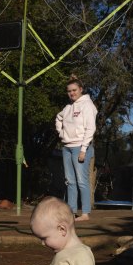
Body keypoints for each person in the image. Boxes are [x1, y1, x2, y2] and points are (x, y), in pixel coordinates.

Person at [55, 74, 98, 222]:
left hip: (80, 147)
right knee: (70, 181)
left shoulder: (87, 105)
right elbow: (58, 117)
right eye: (69, 91)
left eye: (74, 90)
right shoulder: (67, 107)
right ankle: (71, 212)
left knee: (82, 180)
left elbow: (90, 128)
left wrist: (83, 149)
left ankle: (85, 213)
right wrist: (61, 132)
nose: (72, 93)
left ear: (81, 89)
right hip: (66, 147)